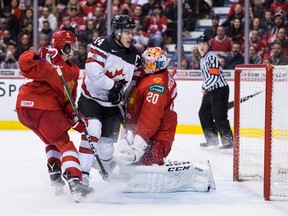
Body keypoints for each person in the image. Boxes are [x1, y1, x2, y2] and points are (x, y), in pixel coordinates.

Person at [15, 30, 90, 202]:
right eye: (71, 45)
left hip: (25, 110)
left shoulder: (73, 70)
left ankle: (55, 175)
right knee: (65, 143)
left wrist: (74, 117)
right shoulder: (46, 59)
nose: (75, 48)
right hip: (43, 107)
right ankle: (75, 182)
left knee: (52, 140)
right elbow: (23, 62)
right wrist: (41, 54)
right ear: (64, 46)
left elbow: (67, 100)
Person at [77, 15, 142, 186]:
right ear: (117, 32)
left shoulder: (135, 55)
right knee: (93, 130)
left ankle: (104, 166)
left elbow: (133, 83)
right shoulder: (103, 43)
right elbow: (93, 73)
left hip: (113, 105)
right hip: (91, 99)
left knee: (106, 147)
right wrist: (113, 86)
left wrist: (121, 96)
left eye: (131, 32)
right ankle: (81, 176)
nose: (130, 36)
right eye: (127, 32)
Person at [113, 47, 178, 166]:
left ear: (158, 64)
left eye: (148, 62)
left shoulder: (157, 86)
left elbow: (150, 117)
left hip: (158, 130)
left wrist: (138, 146)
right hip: (145, 127)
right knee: (135, 161)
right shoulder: (150, 76)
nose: (145, 65)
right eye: (145, 62)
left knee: (151, 159)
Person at [196, 34, 233, 150]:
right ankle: (212, 139)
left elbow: (214, 76)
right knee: (203, 113)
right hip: (210, 90)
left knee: (219, 116)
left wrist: (205, 86)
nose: (201, 46)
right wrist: (205, 86)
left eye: (204, 44)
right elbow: (207, 77)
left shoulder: (211, 57)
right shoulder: (203, 59)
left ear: (208, 45)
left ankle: (229, 142)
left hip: (219, 90)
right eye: (199, 44)